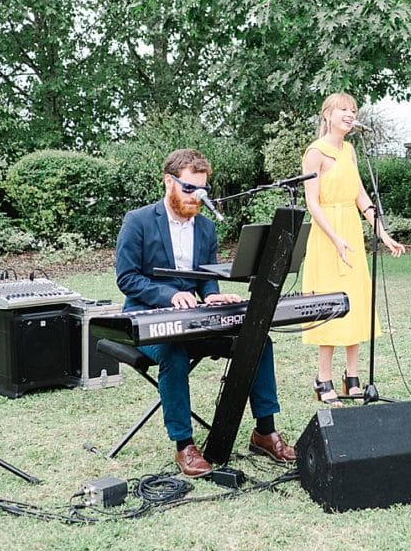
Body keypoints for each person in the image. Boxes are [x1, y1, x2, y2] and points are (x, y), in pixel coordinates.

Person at [115, 148, 295, 477]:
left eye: (202, 191)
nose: (196, 197)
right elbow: (127, 279)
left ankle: (264, 432)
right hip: (147, 322)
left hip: (194, 319)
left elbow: (205, 278)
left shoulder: (206, 229)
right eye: (189, 189)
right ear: (168, 182)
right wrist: (170, 295)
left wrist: (212, 295)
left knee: (259, 341)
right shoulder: (138, 221)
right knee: (173, 353)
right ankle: (184, 445)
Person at [300, 93, 405, 406]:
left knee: (356, 303)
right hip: (327, 235)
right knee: (331, 306)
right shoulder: (315, 153)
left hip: (352, 233)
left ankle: (352, 377)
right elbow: (312, 202)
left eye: (353, 110)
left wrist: (383, 235)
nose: (350, 114)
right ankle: (323, 379)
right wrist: (334, 238)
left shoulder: (350, 150)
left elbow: (362, 198)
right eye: (343, 109)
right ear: (328, 114)